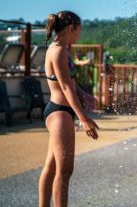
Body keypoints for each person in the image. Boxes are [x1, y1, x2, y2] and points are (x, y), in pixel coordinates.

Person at [39, 11, 99, 207]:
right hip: (59, 113)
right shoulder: (56, 51)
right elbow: (65, 87)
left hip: (63, 112)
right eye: (78, 31)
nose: (79, 35)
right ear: (70, 28)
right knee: (65, 172)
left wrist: (84, 94)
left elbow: (70, 82)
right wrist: (84, 118)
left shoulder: (63, 49)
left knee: (51, 166)